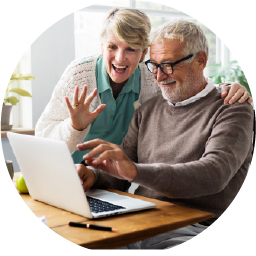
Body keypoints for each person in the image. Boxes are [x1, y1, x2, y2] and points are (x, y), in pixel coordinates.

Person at [75, 20, 254, 249]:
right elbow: (121, 173)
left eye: (168, 65)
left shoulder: (232, 108)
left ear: (200, 61)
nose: (159, 76)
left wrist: (135, 171)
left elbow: (215, 173)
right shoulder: (148, 110)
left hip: (195, 228)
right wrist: (94, 176)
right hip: (140, 220)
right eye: (154, 65)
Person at [35, 7, 252, 164]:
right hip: (71, 174)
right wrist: (75, 127)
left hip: (116, 179)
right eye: (112, 47)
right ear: (101, 47)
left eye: (130, 49)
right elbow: (42, 141)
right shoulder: (79, 74)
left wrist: (226, 87)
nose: (120, 59)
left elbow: (189, 84)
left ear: (143, 53)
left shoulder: (153, 76)